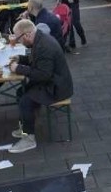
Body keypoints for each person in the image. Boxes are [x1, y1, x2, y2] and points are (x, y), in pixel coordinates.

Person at [7, 19, 73, 153]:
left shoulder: (43, 46)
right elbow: (35, 60)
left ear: (27, 35)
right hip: (52, 82)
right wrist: (20, 59)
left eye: (19, 39)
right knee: (21, 92)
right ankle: (25, 127)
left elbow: (43, 75)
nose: (19, 42)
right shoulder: (40, 39)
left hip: (57, 88)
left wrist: (18, 68)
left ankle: (29, 140)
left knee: (26, 101)